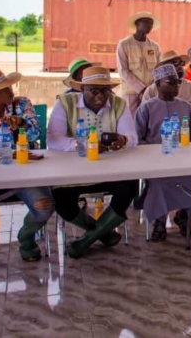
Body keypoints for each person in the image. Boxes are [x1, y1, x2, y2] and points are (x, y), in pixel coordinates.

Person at [48, 66, 139, 259]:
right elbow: (53, 140)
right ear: (82, 89)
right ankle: (102, 232)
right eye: (93, 90)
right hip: (73, 171)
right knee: (60, 197)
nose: (100, 95)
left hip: (110, 170)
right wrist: (82, 145)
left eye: (105, 90)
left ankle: (86, 241)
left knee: (131, 186)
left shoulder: (119, 104)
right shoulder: (65, 103)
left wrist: (122, 140)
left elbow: (132, 138)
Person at [136, 64, 191, 241]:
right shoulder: (146, 108)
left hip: (184, 160)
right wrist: (154, 153)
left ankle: (184, 216)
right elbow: (137, 139)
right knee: (159, 185)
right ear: (158, 84)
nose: (176, 86)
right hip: (156, 162)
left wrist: (190, 152)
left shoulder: (185, 107)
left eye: (178, 82)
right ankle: (159, 222)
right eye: (171, 82)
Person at [0, 67, 53, 262]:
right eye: (3, 89)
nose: (10, 91)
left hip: (24, 171)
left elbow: (36, 134)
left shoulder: (22, 104)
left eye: (9, 86)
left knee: (44, 206)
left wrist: (22, 124)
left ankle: (26, 237)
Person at [142, 51, 191, 130]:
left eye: (181, 63)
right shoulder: (151, 90)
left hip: (188, 131)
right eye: (175, 63)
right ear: (163, 67)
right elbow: (144, 116)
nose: (179, 66)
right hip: (161, 133)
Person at [116, 12, 161, 117]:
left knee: (149, 120)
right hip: (131, 92)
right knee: (131, 121)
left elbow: (158, 70)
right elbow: (123, 71)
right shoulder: (124, 44)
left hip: (150, 92)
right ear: (137, 24)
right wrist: (141, 88)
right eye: (146, 22)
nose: (149, 26)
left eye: (151, 24)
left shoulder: (155, 46)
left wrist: (150, 89)